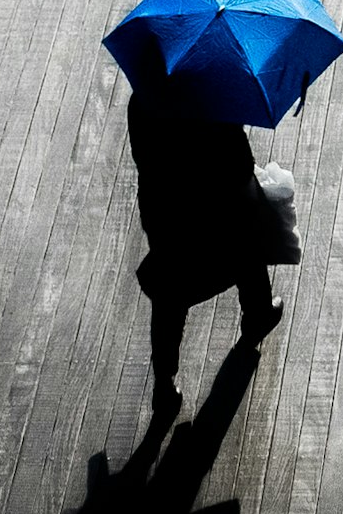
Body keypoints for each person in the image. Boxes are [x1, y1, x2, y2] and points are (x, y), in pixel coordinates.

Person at [126, 83, 295, 418]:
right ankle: (258, 313)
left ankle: (164, 383)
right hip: (214, 218)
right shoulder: (213, 100)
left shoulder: (142, 101)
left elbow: (143, 157)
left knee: (169, 296)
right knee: (247, 232)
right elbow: (240, 168)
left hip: (165, 217)